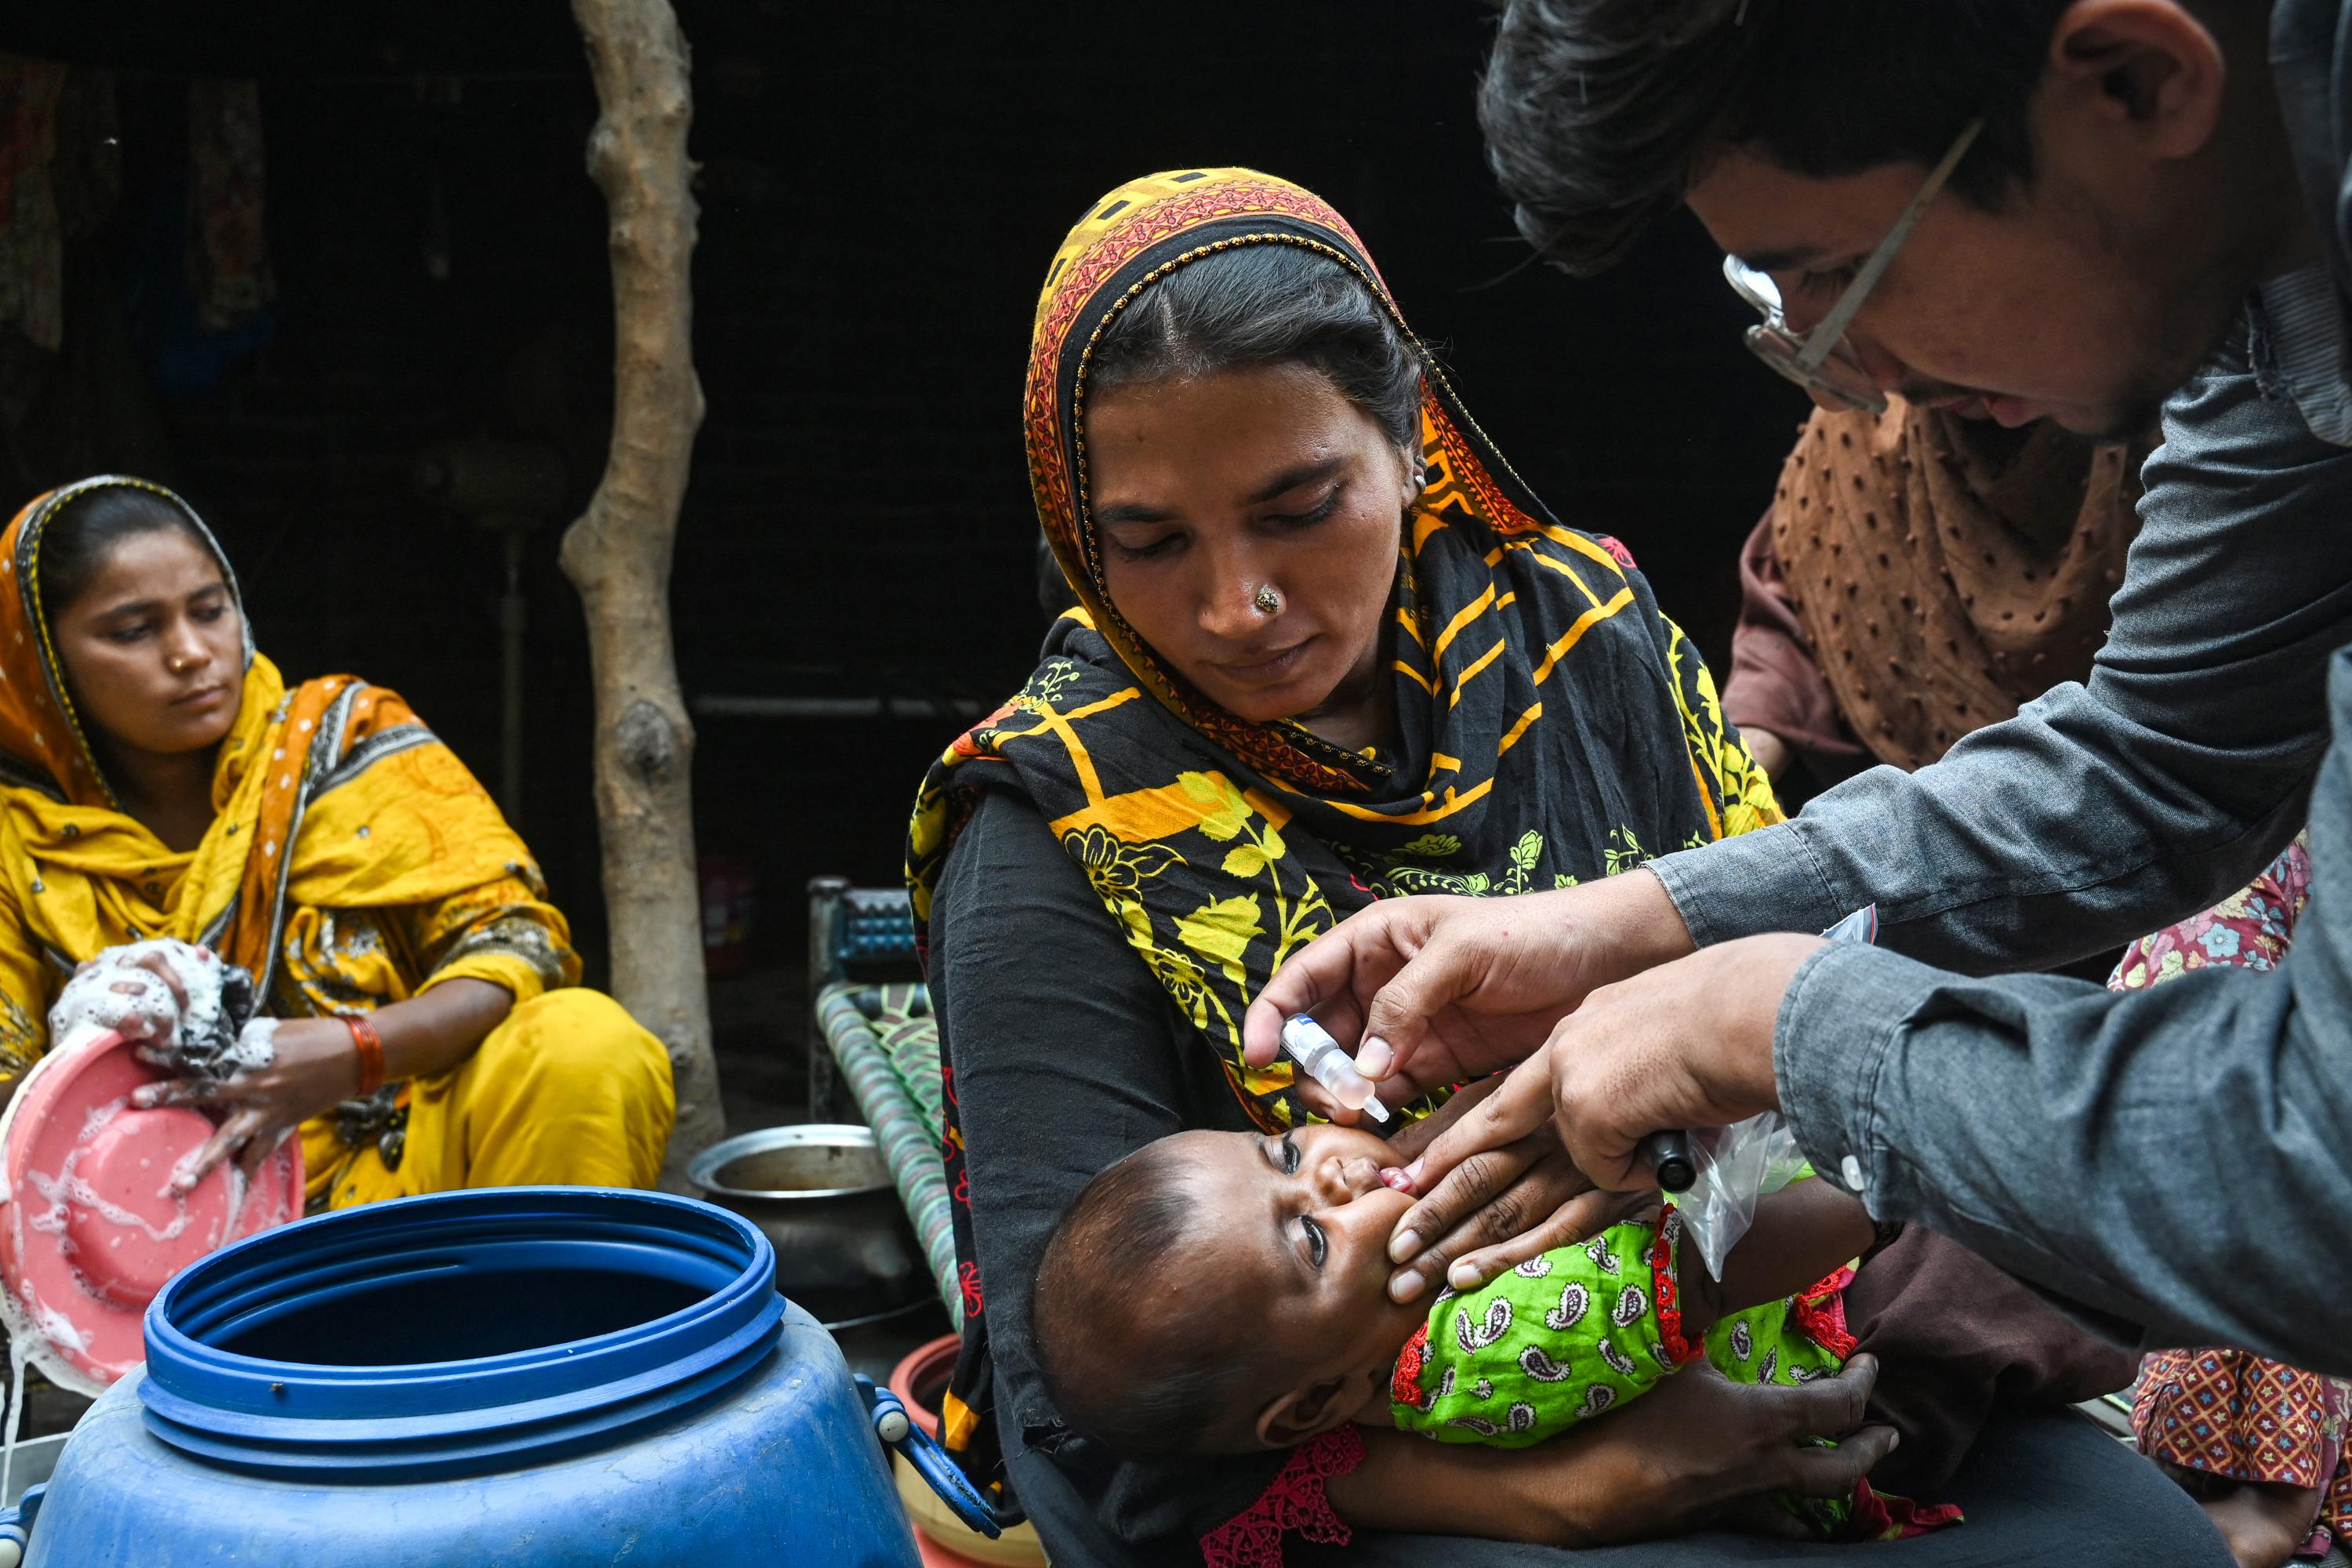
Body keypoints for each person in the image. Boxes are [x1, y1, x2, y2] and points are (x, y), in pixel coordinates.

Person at [907, 167, 2220, 1566]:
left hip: (1776, 1305)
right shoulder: (1064, 816)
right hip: (1402, 1481)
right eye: (1151, 543)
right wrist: (1547, 1491)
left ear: (1411, 442)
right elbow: (1093, 1437)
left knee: (2140, 1545)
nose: (1241, 604)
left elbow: (1822, 980)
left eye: (1299, 506)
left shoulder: (1583, 635)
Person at [1243, 0, 2352, 1380]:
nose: (1857, 385)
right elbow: (2165, 760)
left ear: (2132, 81)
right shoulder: (2268, 289)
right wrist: (1631, 930)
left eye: (1842, 275)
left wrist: (1780, 1025)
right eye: (1782, 307)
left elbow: (2322, 1164)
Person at [0, 475, 674, 1207]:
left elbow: (516, 948)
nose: (192, 652)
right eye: (133, 630)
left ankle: (532, 1317)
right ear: (41, 665)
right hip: (147, 1231)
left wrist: (354, 1055)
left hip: (402, 1183)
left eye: (210, 610)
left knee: (586, 1044)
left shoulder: (343, 740)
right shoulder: (15, 844)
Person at [1033, 1122, 1974, 1541]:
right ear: (1318, 1401)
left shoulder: (1392, 1310)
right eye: (1311, 1237)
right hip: (1841, 1351)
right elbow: (1723, 1265)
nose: (1332, 1173)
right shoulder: (1478, 1339)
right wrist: (1892, 1174)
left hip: (1814, 1288)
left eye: (1284, 1149)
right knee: (2001, 1276)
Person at [1724, 397, 2148, 786]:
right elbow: (1798, 610)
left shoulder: (2177, 419)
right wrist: (1731, 783)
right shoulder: (1863, 408)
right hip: (1891, 815)